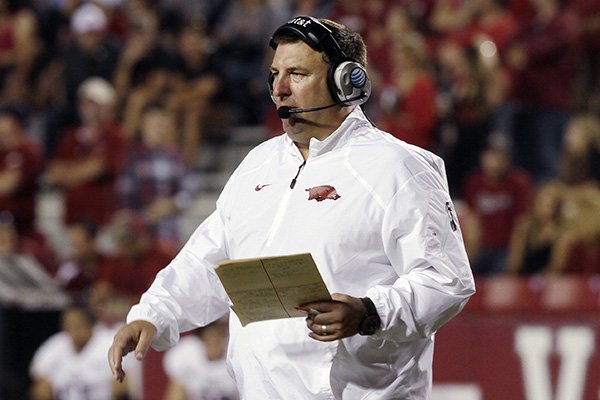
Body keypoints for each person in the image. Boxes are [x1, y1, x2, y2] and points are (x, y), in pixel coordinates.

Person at [108, 16, 475, 399]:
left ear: (347, 81)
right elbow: (210, 259)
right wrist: (154, 312)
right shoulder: (259, 163)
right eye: (274, 75)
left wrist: (371, 311)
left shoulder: (399, 167)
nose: (279, 89)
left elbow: (447, 280)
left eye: (297, 74)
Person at [29, 305, 132, 400]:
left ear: (90, 324)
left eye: (77, 325)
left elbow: (124, 386)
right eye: (68, 326)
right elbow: (40, 386)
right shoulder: (56, 346)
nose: (73, 330)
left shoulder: (110, 343)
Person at [162, 315, 239, 400]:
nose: (213, 344)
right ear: (202, 339)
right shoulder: (187, 355)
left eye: (218, 339)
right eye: (210, 339)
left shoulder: (236, 357)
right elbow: (176, 394)